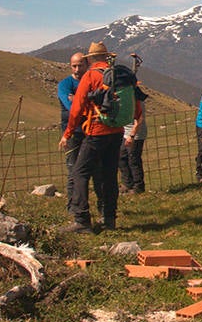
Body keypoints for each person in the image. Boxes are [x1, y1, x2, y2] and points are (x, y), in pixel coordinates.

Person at [59, 42, 141, 233]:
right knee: (109, 175)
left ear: (90, 59)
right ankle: (109, 220)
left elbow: (77, 108)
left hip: (96, 131)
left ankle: (82, 220)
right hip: (117, 132)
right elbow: (136, 108)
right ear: (106, 57)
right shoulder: (118, 75)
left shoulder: (91, 76)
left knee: (79, 172)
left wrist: (68, 133)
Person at [57, 52, 88, 210]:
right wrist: (87, 101)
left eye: (80, 65)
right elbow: (71, 108)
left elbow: (75, 105)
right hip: (72, 133)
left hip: (90, 132)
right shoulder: (64, 84)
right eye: (74, 66)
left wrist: (76, 99)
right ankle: (73, 206)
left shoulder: (90, 81)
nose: (77, 69)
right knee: (73, 170)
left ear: (86, 65)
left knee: (93, 170)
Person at [119, 86, 149, 194]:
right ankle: (127, 183)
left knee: (133, 159)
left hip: (136, 134)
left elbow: (139, 120)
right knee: (121, 157)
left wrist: (132, 136)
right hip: (125, 132)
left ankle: (138, 186)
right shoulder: (127, 100)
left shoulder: (137, 102)